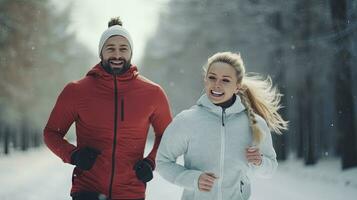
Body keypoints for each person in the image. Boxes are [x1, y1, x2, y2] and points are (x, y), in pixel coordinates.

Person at [43, 17, 172, 200]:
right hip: (87, 190)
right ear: (101, 53)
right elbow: (51, 133)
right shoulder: (77, 90)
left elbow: (168, 135)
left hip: (131, 192)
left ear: (131, 53)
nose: (117, 55)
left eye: (123, 49)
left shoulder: (153, 93)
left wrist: (151, 162)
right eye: (110, 48)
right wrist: (73, 155)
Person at [156, 51, 288, 200]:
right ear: (205, 80)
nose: (217, 85)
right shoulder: (187, 121)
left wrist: (260, 161)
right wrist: (193, 179)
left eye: (225, 80)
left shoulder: (255, 124)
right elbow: (163, 162)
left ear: (237, 86)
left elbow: (270, 168)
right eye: (212, 78)